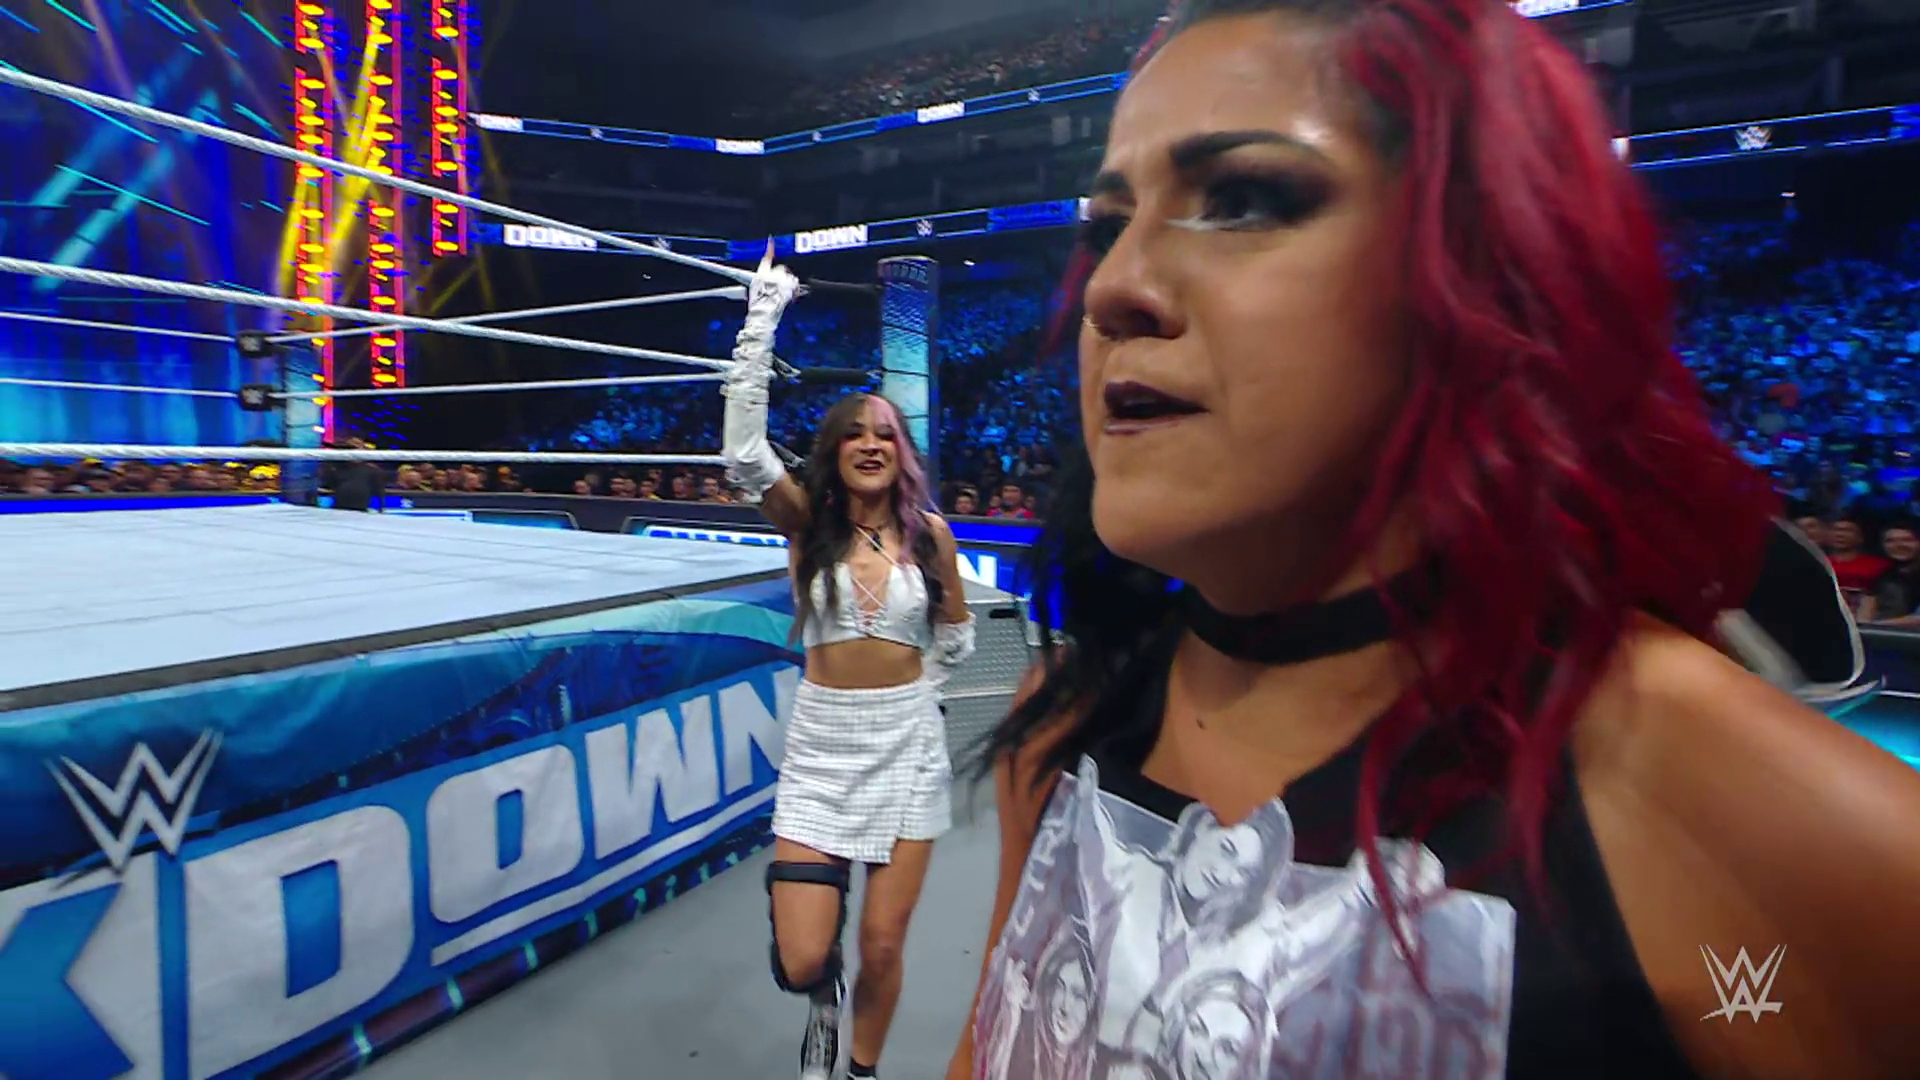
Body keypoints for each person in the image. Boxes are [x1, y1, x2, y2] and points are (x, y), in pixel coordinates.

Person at [944, 3, 1920, 1079]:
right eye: (1105, 227)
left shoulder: (1741, 808)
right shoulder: (1057, 728)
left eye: (1243, 199)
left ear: (1487, 266)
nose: (1112, 287)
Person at [723, 251, 977, 1080]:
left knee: (884, 941)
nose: (871, 443)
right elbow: (744, 454)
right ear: (834, 450)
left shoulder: (931, 536)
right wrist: (763, 318)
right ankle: (822, 995)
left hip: (907, 748)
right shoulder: (807, 526)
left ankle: (859, 1071)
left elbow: (956, 636)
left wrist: (924, 691)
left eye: (886, 434)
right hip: (822, 747)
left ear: (903, 452)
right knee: (802, 956)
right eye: (856, 434)